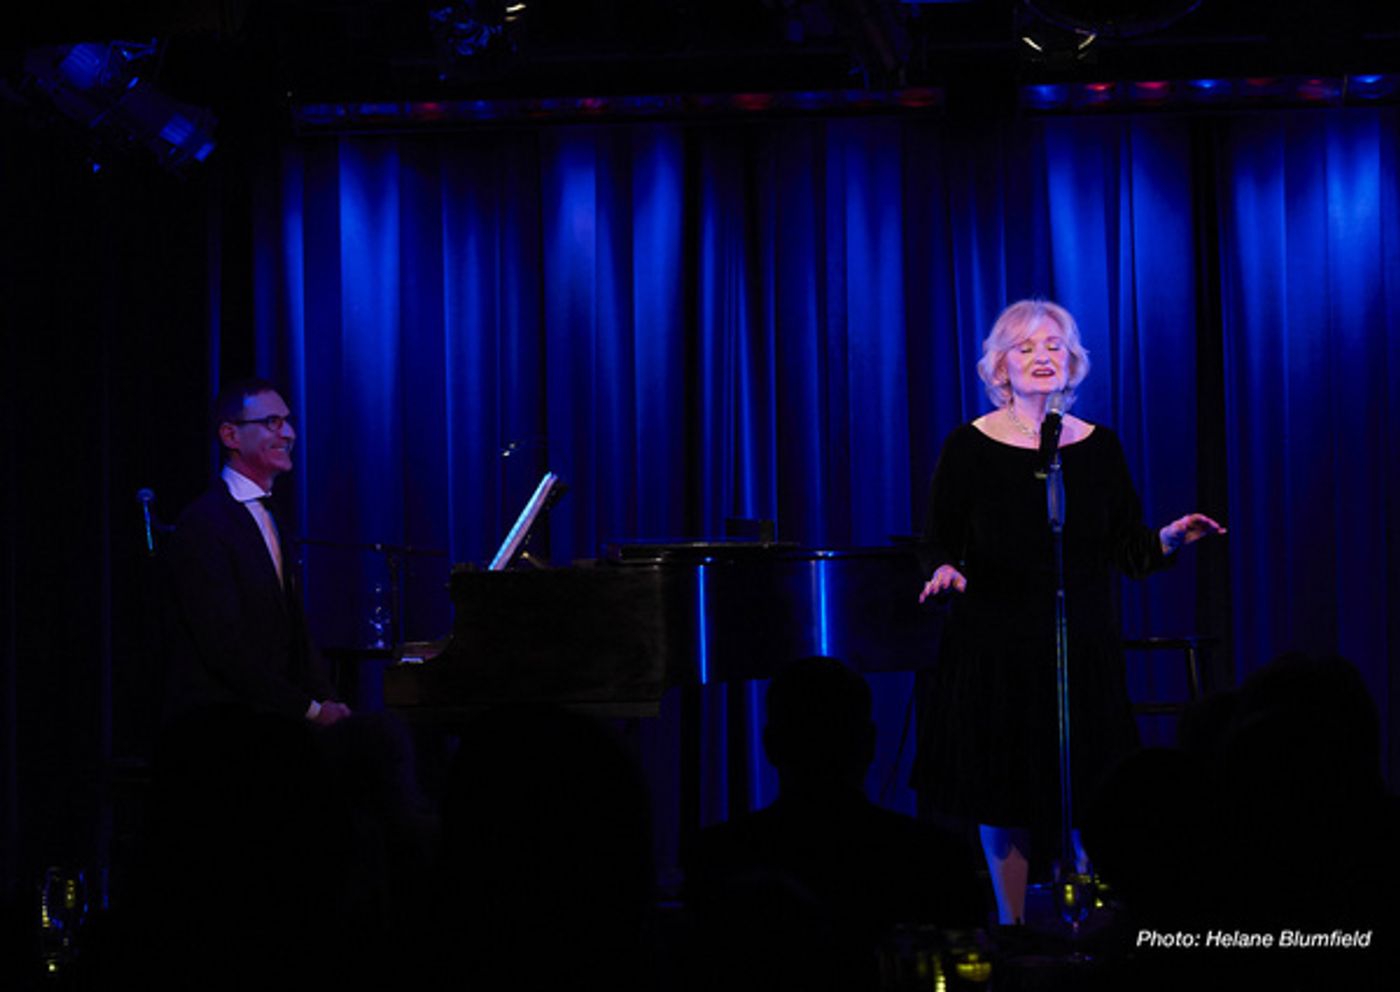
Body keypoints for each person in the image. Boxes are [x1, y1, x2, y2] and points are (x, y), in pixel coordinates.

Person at [912, 300, 1224, 926]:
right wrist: (944, 570)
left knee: (1091, 784)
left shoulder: (1098, 446)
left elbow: (1125, 548)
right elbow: (936, 539)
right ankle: (1013, 927)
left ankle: (1094, 921)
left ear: (1073, 360)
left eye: (1054, 345)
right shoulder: (969, 446)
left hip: (1079, 644)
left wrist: (1167, 538)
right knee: (1003, 794)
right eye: (1025, 348)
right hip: (995, 645)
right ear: (1000, 366)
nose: (1042, 357)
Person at [165, 378, 350, 726]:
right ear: (230, 436)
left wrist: (329, 701)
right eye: (272, 423)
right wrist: (311, 711)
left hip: (276, 715)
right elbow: (224, 647)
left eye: (288, 421)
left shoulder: (273, 516)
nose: (289, 434)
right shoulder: (204, 523)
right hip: (224, 722)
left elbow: (295, 632)